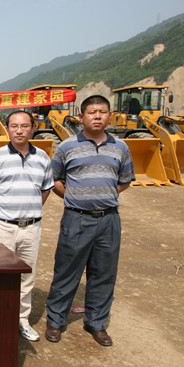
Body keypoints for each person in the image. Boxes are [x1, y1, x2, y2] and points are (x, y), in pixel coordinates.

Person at [45, 95, 135, 347]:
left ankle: (96, 323)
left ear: (109, 116)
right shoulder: (67, 147)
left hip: (109, 220)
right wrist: (75, 198)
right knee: (67, 271)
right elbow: (55, 180)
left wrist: (102, 197)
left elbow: (125, 181)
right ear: (81, 116)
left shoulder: (121, 147)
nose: (97, 116)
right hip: (77, 219)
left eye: (102, 112)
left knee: (104, 273)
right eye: (92, 112)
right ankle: (56, 320)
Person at [0, 110, 54, 342]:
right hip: (2, 227)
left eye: (24, 126)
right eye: (14, 126)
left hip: (31, 228)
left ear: (33, 128)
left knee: (26, 276)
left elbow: (45, 190)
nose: (19, 130)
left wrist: (30, 211)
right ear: (7, 129)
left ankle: (21, 319)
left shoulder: (42, 157)